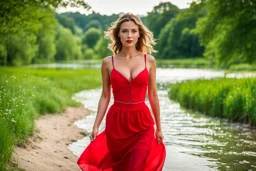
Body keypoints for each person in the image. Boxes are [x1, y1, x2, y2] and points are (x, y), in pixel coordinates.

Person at [77, 13, 166, 171]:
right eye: (125, 31)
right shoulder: (107, 63)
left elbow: (153, 95)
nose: (129, 35)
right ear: (118, 34)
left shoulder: (149, 61)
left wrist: (159, 127)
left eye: (133, 31)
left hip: (143, 123)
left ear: (139, 34)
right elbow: (105, 96)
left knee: (137, 163)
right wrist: (96, 126)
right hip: (117, 123)